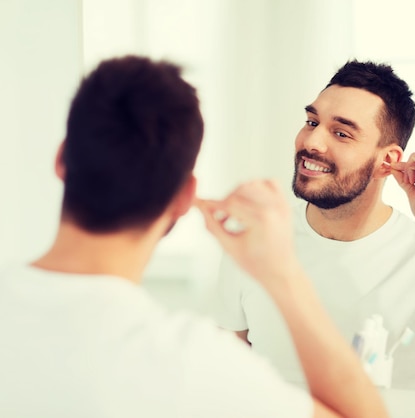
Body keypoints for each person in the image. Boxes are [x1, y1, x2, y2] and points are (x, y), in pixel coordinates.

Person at [0, 56, 388, 418]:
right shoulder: (191, 365)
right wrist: (282, 275)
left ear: (62, 158)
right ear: (186, 196)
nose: (314, 141)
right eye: (312, 122)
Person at [214, 60, 415, 389]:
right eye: (311, 121)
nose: (312, 142)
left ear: (387, 161)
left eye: (341, 133)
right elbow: (228, 373)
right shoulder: (254, 240)